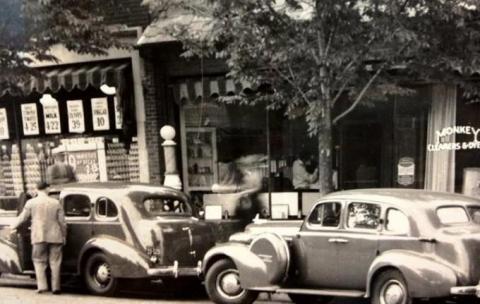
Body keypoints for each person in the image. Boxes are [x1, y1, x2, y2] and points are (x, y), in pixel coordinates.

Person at [10, 181, 67, 294]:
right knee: (55, 262)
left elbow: (22, 218)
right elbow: (62, 223)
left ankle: (42, 286)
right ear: (47, 189)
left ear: (36, 189)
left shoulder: (31, 203)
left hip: (38, 235)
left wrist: (11, 227)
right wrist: (64, 235)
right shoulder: (56, 203)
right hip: (55, 235)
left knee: (39, 261)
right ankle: (56, 287)